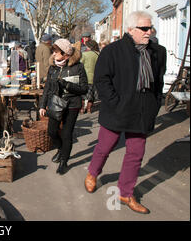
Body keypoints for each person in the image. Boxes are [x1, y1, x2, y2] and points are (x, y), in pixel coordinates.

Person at [84, 11, 166, 214]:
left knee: (136, 153)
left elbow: (159, 80)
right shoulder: (113, 51)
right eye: (144, 28)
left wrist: (156, 103)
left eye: (150, 28)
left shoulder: (158, 52)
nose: (149, 32)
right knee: (105, 146)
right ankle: (93, 172)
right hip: (117, 110)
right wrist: (115, 103)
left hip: (143, 111)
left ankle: (125, 192)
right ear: (130, 30)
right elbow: (102, 81)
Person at [39, 39, 88, 175]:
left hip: (72, 105)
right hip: (56, 103)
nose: (54, 54)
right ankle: (61, 149)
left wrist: (67, 85)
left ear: (66, 54)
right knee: (52, 132)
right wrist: (42, 105)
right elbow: (47, 88)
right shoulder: (53, 68)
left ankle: (64, 162)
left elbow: (84, 88)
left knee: (67, 134)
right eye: (53, 51)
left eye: (56, 51)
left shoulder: (78, 67)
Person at [80, 40, 100, 114]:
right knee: (91, 96)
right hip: (95, 78)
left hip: (85, 78)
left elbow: (80, 65)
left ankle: (82, 109)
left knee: (83, 95)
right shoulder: (98, 54)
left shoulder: (84, 54)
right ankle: (89, 109)